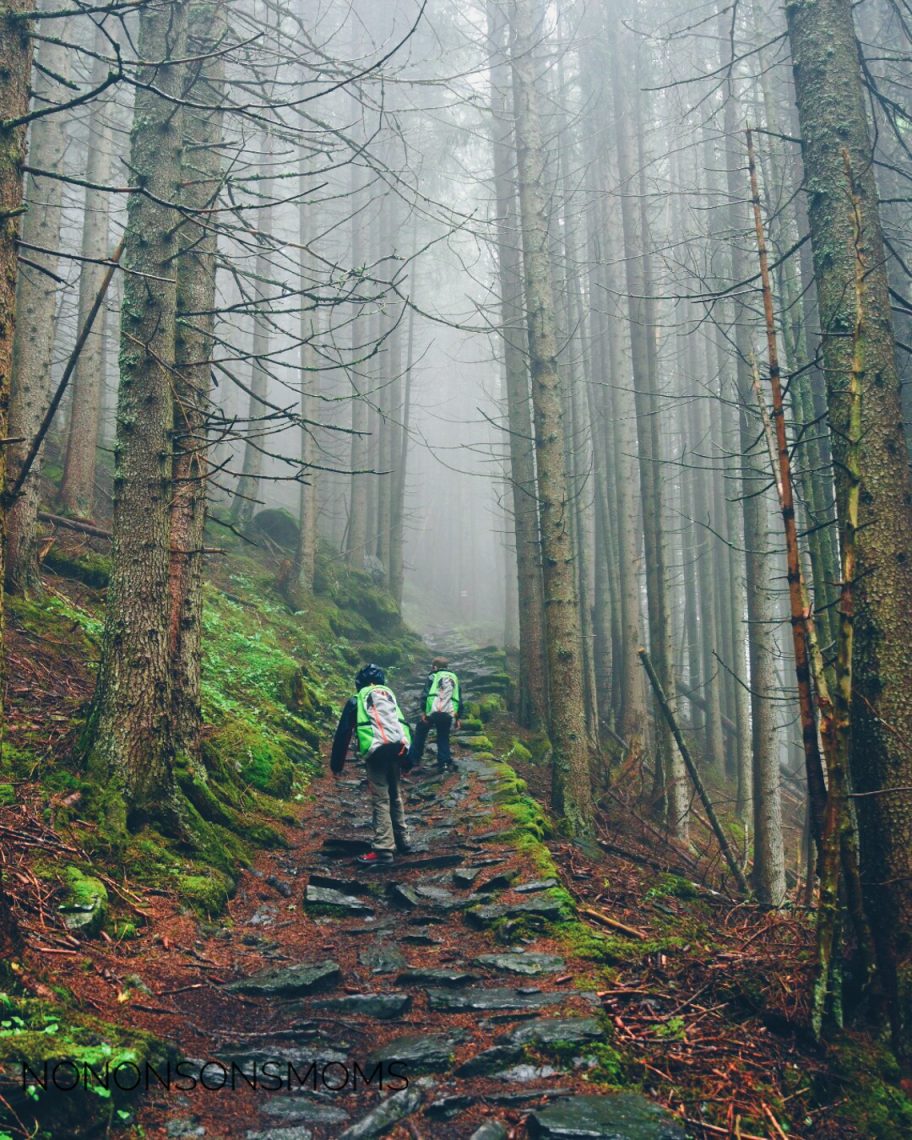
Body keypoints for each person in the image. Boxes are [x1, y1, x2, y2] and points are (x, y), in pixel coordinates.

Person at [330, 663, 414, 865]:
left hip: (376, 753)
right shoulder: (388, 695)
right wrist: (408, 761)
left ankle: (384, 848)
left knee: (381, 798)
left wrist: (337, 765)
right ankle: (403, 840)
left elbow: (343, 733)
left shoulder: (357, 700)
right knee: (395, 795)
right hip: (396, 749)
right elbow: (401, 724)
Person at [410, 656, 462, 772]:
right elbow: (459, 698)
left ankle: (414, 761)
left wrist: (424, 711)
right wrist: (458, 718)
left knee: (420, 732)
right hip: (448, 712)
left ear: (434, 667)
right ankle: (443, 763)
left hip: (432, 712)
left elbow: (426, 694)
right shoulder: (454, 677)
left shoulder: (433, 676)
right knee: (443, 736)